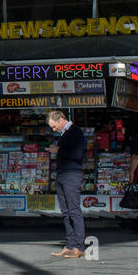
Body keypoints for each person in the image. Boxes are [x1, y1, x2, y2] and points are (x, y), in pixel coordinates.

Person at [47, 109, 86, 258]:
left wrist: (58, 150)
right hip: (62, 173)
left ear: (60, 120)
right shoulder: (65, 133)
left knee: (74, 210)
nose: (53, 129)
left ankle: (79, 246)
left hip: (71, 174)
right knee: (65, 211)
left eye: (53, 126)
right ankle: (70, 244)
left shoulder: (75, 132)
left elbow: (77, 154)